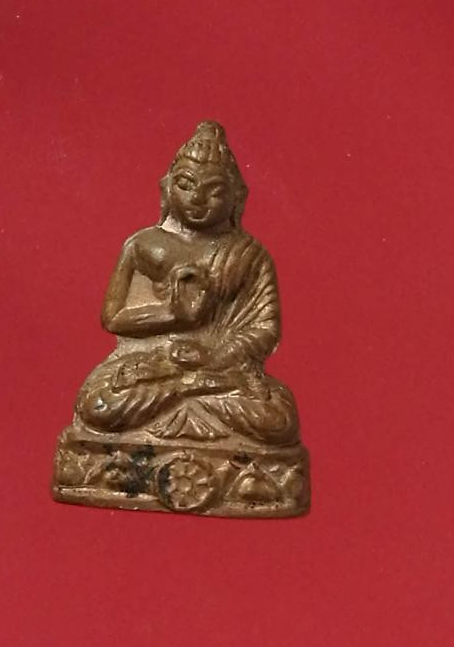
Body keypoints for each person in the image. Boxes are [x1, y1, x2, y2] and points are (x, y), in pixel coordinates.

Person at [77, 121, 299, 446]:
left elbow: (265, 330)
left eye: (215, 191)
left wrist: (214, 356)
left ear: (237, 198)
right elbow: (113, 319)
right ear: (167, 188)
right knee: (99, 405)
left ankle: (191, 389)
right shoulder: (141, 245)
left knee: (278, 420)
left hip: (221, 367)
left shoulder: (249, 255)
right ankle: (192, 389)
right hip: (157, 364)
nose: (197, 198)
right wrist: (173, 315)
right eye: (186, 184)